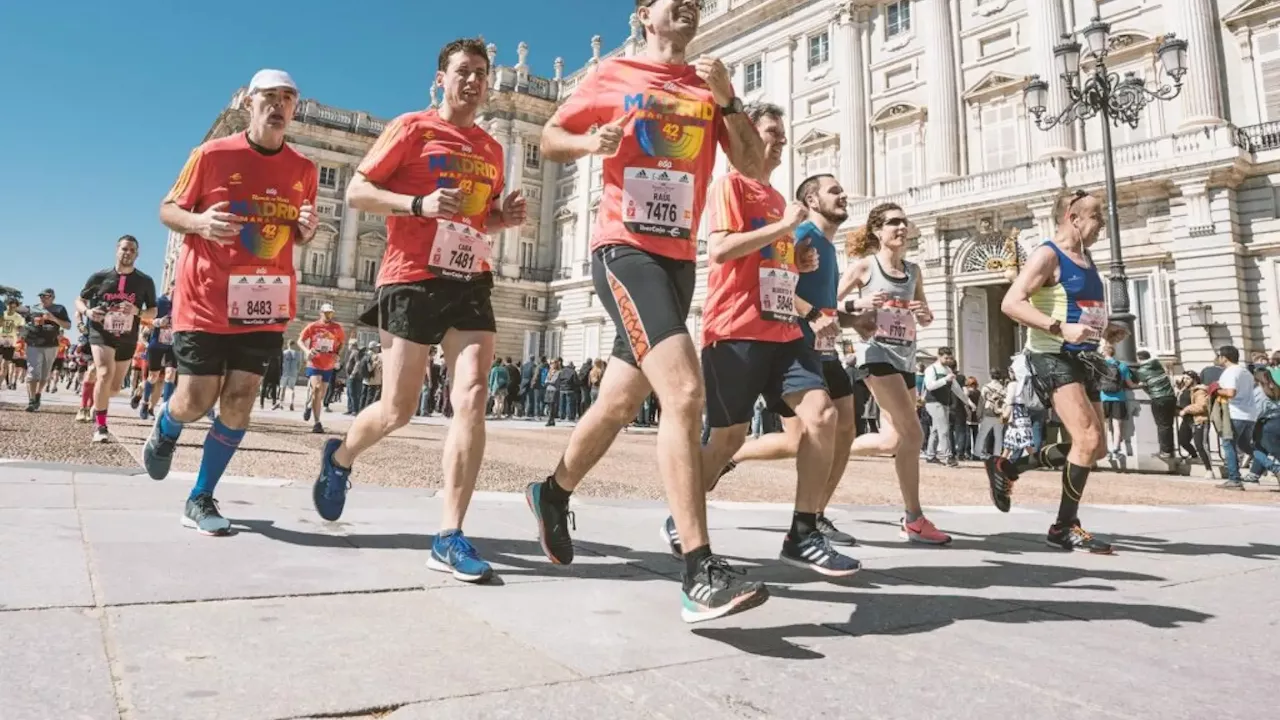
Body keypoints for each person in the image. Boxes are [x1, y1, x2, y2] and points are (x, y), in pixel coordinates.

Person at [523, 0, 772, 622]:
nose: (686, 3)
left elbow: (753, 167)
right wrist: (588, 141)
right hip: (624, 248)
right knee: (684, 393)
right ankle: (699, 569)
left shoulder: (707, 82)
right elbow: (550, 137)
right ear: (645, 14)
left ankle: (551, 494)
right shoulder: (612, 75)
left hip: (680, 259)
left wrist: (730, 100)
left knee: (618, 402)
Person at [310, 38, 526, 585]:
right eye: (463, 72)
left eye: (481, 72)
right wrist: (415, 204)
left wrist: (504, 217)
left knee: (472, 396)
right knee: (397, 409)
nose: (473, 81)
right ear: (441, 78)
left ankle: (449, 534)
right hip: (410, 277)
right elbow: (358, 191)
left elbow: (480, 219)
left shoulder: (492, 149)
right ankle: (340, 458)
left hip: (469, 278)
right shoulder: (412, 128)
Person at [670, 103, 857, 577]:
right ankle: (682, 514)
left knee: (823, 415)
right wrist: (784, 229)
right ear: (746, 137)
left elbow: (776, 262)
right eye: (772, 132)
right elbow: (722, 249)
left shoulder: (777, 198)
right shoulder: (730, 185)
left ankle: (804, 531)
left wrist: (800, 263)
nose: (781, 141)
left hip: (783, 328)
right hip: (735, 328)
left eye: (781, 133)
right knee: (727, 440)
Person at [144, 68, 319, 537]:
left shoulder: (304, 170)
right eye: (270, 97)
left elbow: (294, 231)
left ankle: (201, 496)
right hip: (204, 298)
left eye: (288, 98)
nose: (279, 105)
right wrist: (200, 224)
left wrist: (304, 231)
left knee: (240, 399)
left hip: (264, 300)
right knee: (195, 400)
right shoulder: (211, 155)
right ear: (250, 103)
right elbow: (167, 209)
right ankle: (167, 423)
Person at [708, 172, 859, 547]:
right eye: (834, 190)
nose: (843, 195)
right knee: (804, 434)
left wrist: (854, 319)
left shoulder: (825, 244)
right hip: (792, 343)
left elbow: (824, 303)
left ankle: (814, 517)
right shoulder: (803, 234)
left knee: (837, 426)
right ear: (810, 199)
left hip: (817, 348)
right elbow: (776, 283)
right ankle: (728, 462)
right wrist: (811, 316)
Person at [988, 189, 1128, 553]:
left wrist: (1104, 327)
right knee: (1087, 440)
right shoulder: (1048, 254)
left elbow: (1076, 306)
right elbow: (1011, 302)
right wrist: (1058, 328)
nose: (1102, 225)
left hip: (1083, 356)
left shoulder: (1087, 257)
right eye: (1097, 217)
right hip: (1053, 355)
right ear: (1073, 216)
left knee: (1094, 448)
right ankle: (1063, 527)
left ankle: (1010, 467)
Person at [836, 204, 952, 545]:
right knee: (914, 433)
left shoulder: (914, 271)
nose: (901, 227)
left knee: (892, 440)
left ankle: (832, 452)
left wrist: (924, 312)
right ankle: (914, 518)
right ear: (877, 231)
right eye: (893, 222)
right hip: (875, 355)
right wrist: (860, 305)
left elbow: (927, 316)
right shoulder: (864, 267)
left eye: (904, 222)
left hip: (905, 359)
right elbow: (827, 304)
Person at [78, 237, 158, 440]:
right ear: (117, 250)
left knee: (113, 388)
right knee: (104, 373)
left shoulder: (145, 281)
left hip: (127, 337)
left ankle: (98, 401)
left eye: (132, 250)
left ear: (137, 254)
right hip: (100, 332)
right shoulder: (99, 276)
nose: (128, 253)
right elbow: (79, 300)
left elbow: (153, 311)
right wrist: (87, 312)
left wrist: (137, 311)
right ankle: (100, 426)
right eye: (124, 249)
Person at [1214, 344, 1258, 490]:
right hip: (1249, 414)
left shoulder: (1230, 372)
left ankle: (1234, 478)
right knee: (1246, 445)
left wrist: (1216, 390)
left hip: (1235, 413)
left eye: (1218, 356)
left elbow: (1231, 393)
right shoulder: (1246, 372)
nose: (1217, 359)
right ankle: (1273, 465)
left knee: (1229, 444)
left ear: (1224, 358)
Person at [22, 289, 72, 412]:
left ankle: (38, 394)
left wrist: (53, 318)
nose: (43, 298)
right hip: (33, 343)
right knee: (32, 373)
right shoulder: (33, 308)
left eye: (46, 296)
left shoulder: (59, 309)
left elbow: (68, 326)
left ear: (53, 297)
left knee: (45, 374)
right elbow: (24, 321)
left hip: (51, 345)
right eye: (41, 296)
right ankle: (31, 400)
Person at [299, 303, 345, 433]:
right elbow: (300, 340)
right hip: (315, 362)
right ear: (321, 313)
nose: (328, 315)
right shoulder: (313, 326)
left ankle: (309, 405)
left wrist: (337, 354)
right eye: (326, 313)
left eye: (330, 313)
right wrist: (307, 351)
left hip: (328, 364)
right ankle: (317, 423)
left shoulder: (337, 328)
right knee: (317, 389)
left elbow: (341, 343)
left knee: (321, 395)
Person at [140, 286, 177, 420]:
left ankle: (165, 410)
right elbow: (141, 318)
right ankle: (144, 402)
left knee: (170, 374)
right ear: (170, 288)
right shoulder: (159, 301)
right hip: (157, 343)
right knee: (153, 376)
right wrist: (156, 322)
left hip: (173, 344)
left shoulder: (183, 303)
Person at [280, 339, 301, 410]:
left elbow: (281, 363)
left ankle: (281, 404)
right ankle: (292, 403)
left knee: (283, 388)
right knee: (292, 389)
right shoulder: (297, 354)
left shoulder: (284, 353)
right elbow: (299, 365)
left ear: (288, 344)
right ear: (294, 345)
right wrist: (297, 371)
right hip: (293, 372)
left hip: (285, 372)